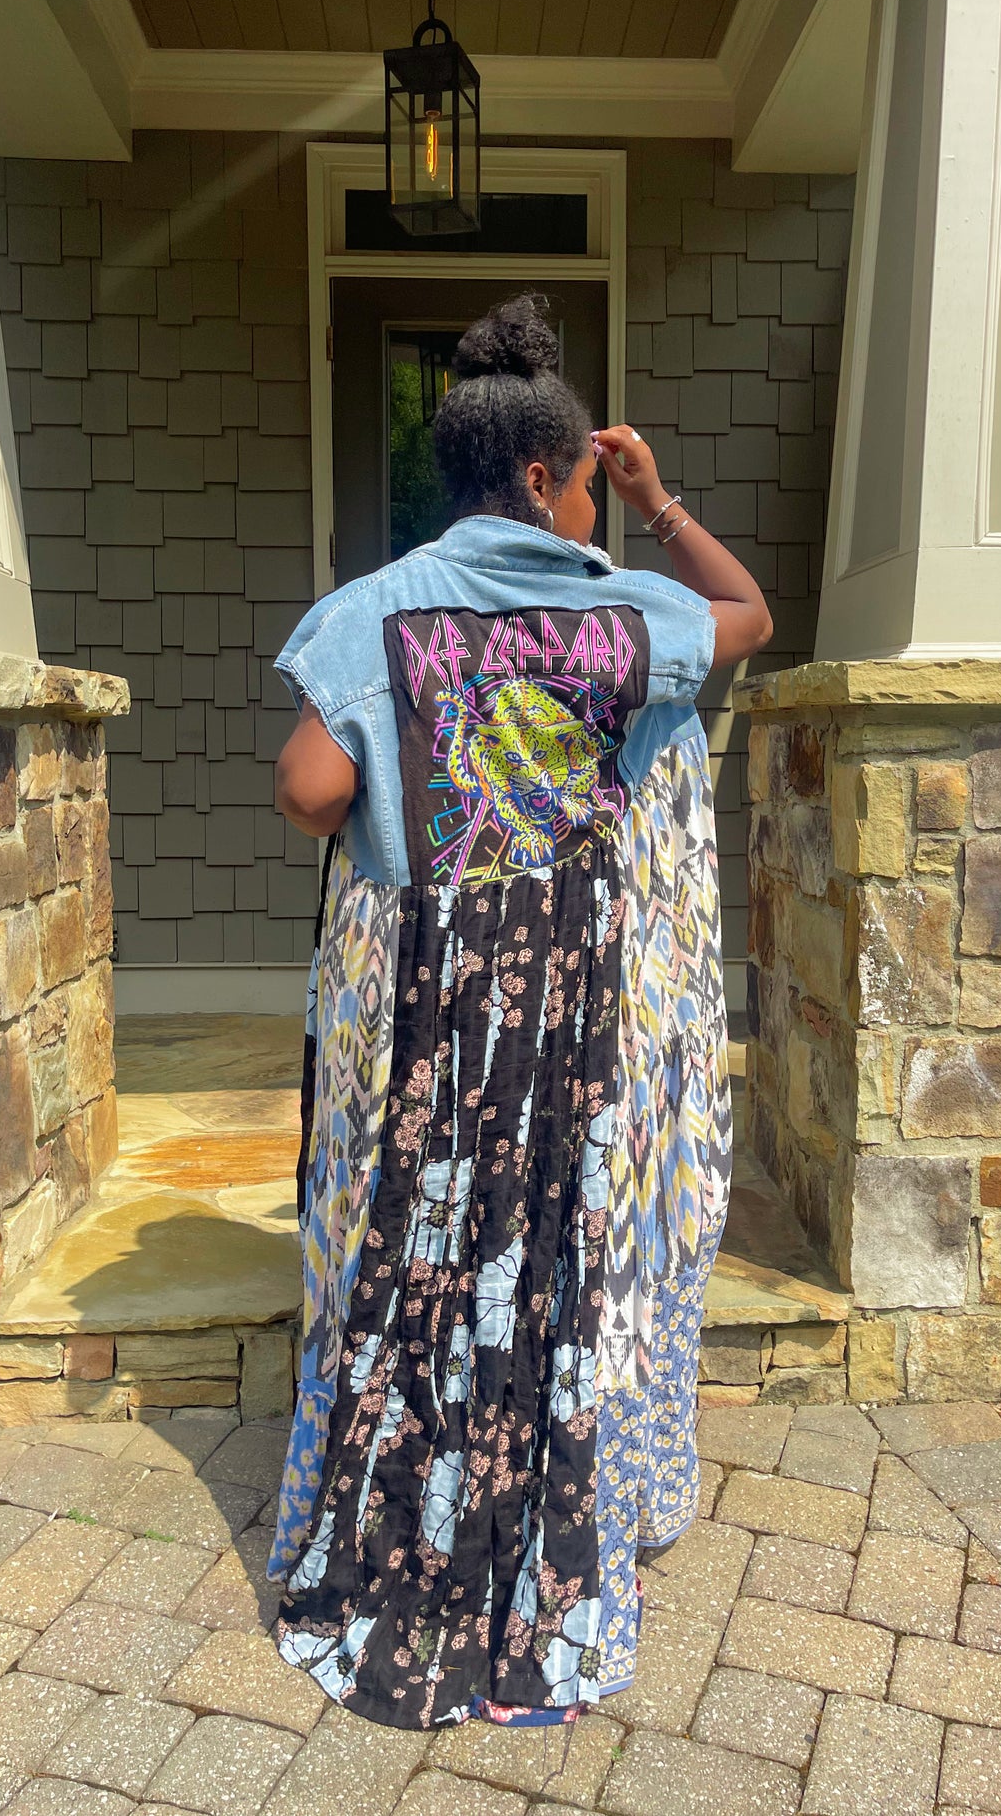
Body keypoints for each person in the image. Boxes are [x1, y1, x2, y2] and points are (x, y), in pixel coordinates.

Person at [266, 294, 772, 1730]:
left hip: (436, 1011)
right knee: (561, 1258)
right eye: (588, 484)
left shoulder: (372, 608)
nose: (591, 506)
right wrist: (660, 505)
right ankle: (557, 1524)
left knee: (426, 1247)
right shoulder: (622, 608)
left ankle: (402, 1519)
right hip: (583, 1014)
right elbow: (749, 619)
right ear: (549, 475)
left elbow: (309, 789)